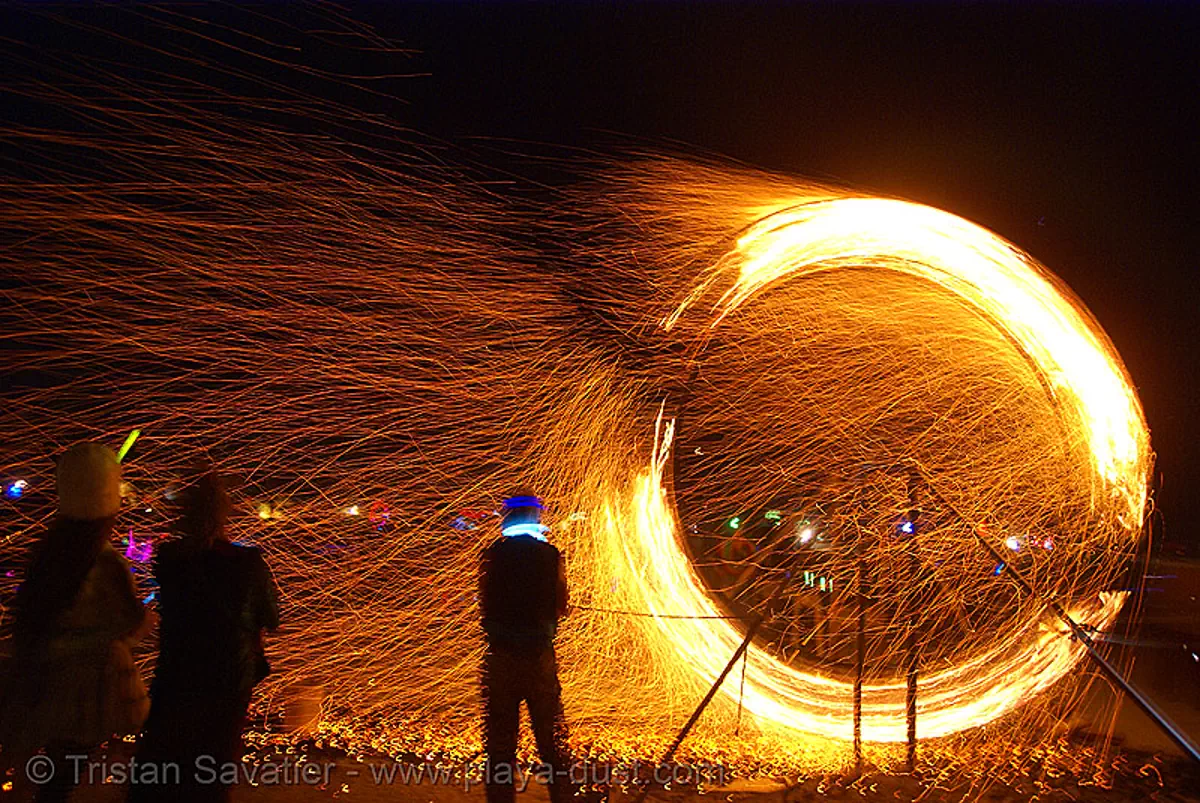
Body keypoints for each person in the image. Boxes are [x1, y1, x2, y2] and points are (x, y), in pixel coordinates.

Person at [0, 442, 153, 803]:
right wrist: (147, 619)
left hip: (41, 685)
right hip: (87, 697)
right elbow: (128, 623)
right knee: (60, 783)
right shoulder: (107, 563)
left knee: (39, 779)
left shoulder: (46, 553)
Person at [128, 466, 279, 803]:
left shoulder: (170, 559)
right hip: (230, 679)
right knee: (213, 766)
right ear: (225, 512)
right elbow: (272, 618)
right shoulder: (248, 562)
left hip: (177, 675)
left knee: (163, 763)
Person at [479, 492, 572, 803]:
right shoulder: (550, 555)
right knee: (552, 740)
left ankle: (500, 798)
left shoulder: (492, 555)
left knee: (500, 744)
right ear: (536, 518)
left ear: (507, 519)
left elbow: (485, 602)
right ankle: (563, 796)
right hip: (538, 657)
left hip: (500, 657)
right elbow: (561, 604)